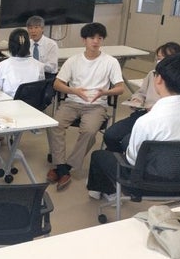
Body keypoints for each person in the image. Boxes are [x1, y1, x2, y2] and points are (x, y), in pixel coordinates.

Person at [87, 53, 180, 198]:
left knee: (99, 155)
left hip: (146, 184)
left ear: (158, 79)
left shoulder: (147, 121)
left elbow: (132, 160)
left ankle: (107, 191)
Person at [46, 22, 124, 191]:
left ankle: (65, 168)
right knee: (54, 125)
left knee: (89, 131)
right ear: (84, 40)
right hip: (72, 102)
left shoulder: (110, 62)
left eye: (99, 38)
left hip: (96, 105)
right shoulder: (73, 61)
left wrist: (105, 92)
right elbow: (57, 84)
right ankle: (60, 166)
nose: (95, 41)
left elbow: (120, 88)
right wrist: (73, 90)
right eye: (92, 38)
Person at [103, 42, 180, 153]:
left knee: (129, 142)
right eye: (158, 58)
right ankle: (118, 158)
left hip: (168, 120)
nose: (160, 62)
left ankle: (127, 160)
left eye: (165, 58)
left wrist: (158, 108)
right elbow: (141, 93)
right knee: (111, 135)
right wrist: (137, 99)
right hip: (145, 113)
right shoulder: (153, 74)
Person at [0, 28, 45, 98]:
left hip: (8, 104)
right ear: (28, 45)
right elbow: (40, 90)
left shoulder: (2, 65)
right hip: (32, 104)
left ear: (10, 46)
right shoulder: (39, 66)